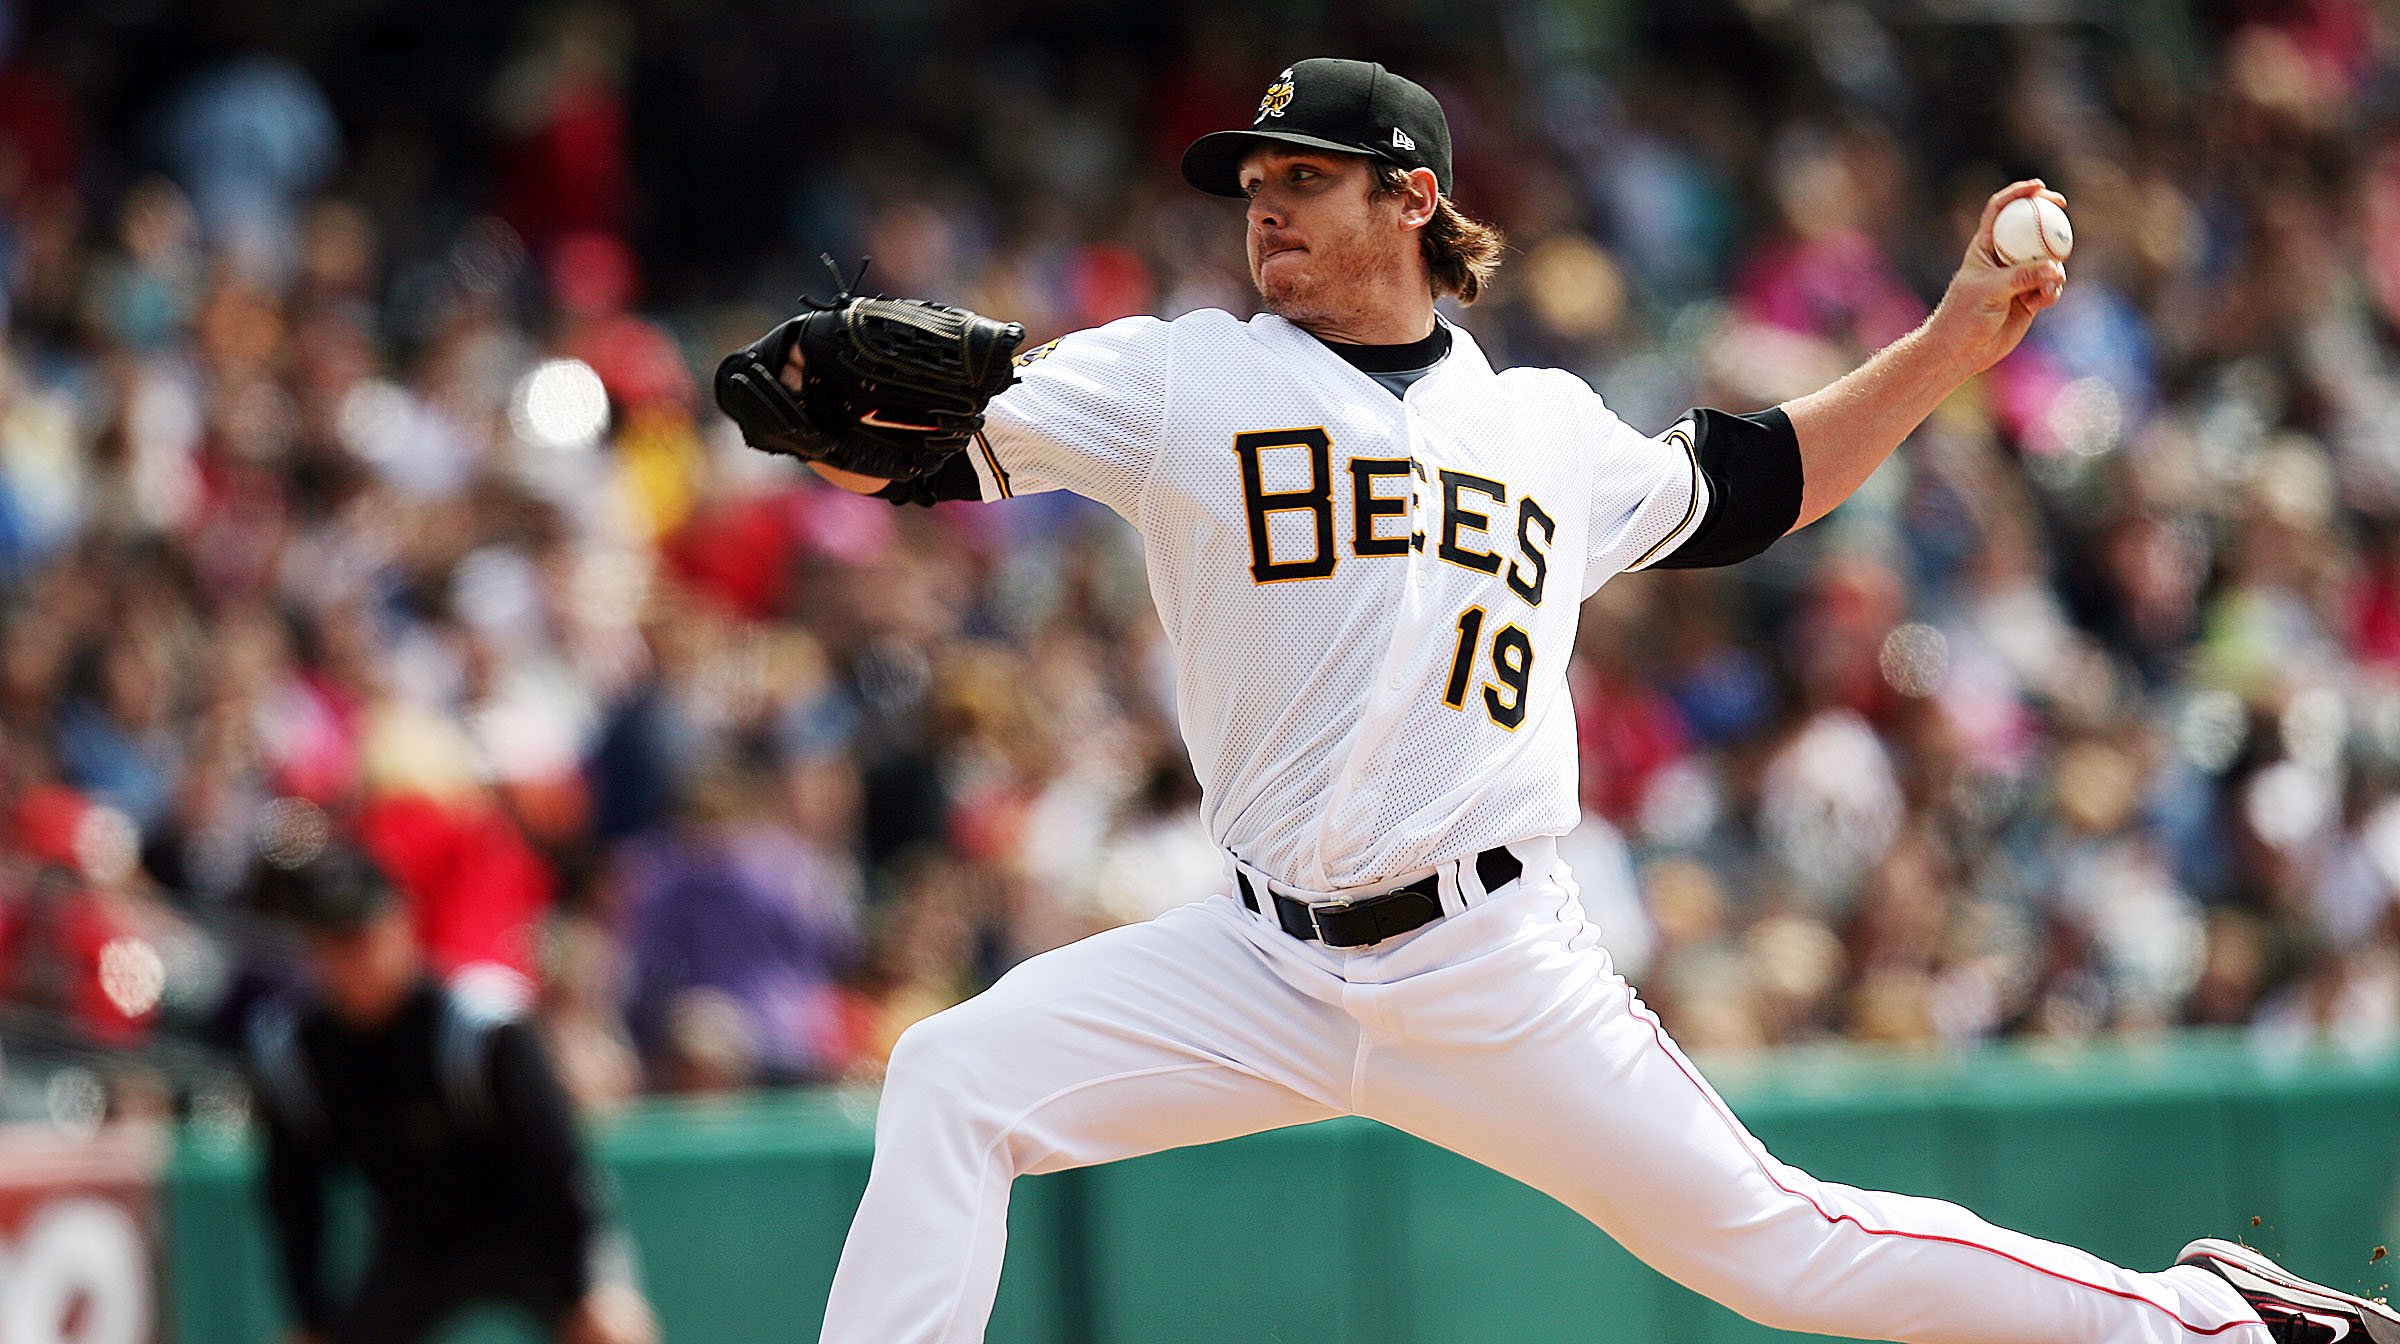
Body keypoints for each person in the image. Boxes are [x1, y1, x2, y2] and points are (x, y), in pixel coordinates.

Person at [751, 57, 2399, 1344]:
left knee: (1782, 1243)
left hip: (1487, 957)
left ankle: (2211, 1320)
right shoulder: (1183, 376)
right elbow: (958, 433)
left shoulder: (1543, 421)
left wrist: (1956, 340)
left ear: (1412, 201)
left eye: (1303, 179)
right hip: (1255, 954)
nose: (1262, 208)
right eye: (1251, 182)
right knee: (953, 1079)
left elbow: (1753, 482)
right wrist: (836, 419)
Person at [242, 838, 658, 1344]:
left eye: (363, 934)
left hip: (530, 1229)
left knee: (614, 1328)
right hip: (417, 1242)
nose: (354, 957)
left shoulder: (479, 1029)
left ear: (401, 926)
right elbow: (293, 1196)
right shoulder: (300, 1054)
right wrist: (310, 1315)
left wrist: (582, 1292)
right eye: (334, 940)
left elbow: (555, 1169)